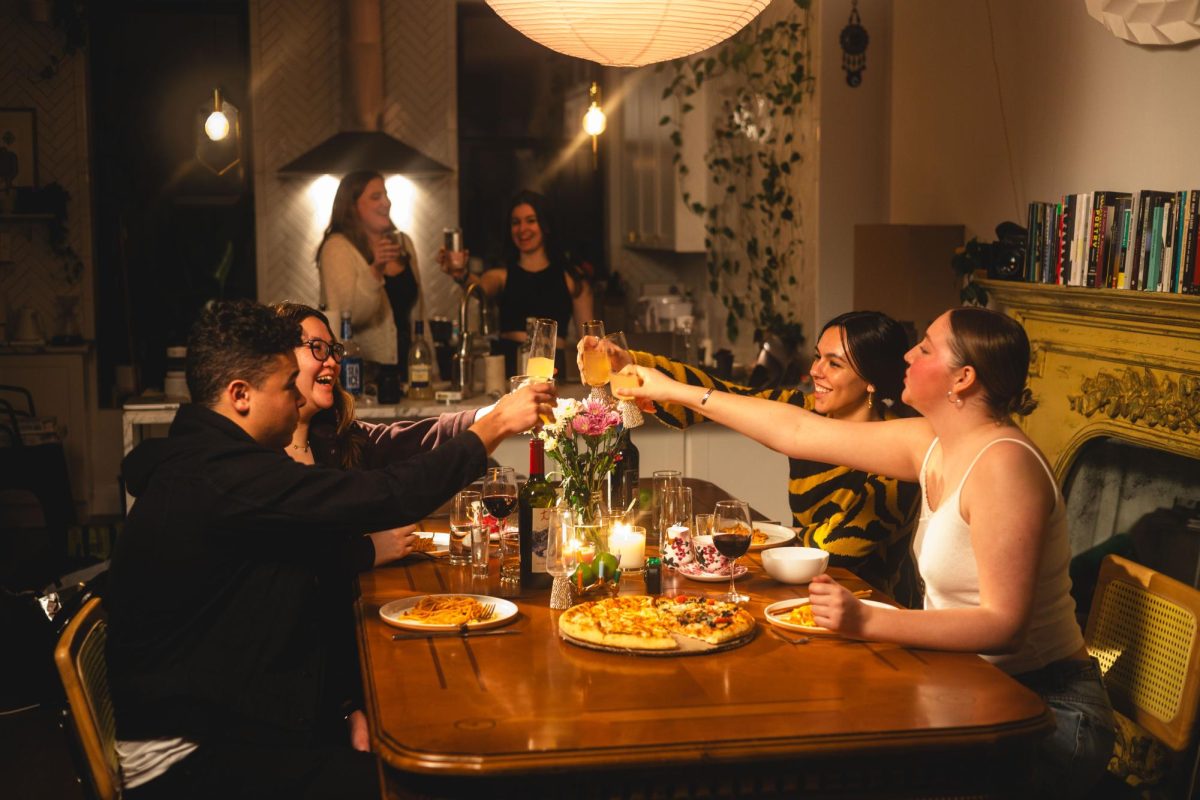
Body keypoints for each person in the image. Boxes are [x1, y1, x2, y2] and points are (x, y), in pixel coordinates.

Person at [622, 306, 1114, 797]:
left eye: (923, 348)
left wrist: (866, 621)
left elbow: (1005, 625)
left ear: (961, 378)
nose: (907, 354)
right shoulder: (933, 443)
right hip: (971, 688)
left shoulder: (1005, 466)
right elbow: (794, 430)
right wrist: (668, 389)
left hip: (1045, 712)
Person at [105, 300, 551, 799]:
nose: (297, 402)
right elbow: (386, 496)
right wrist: (491, 428)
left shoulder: (208, 462)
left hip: (232, 716)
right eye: (284, 388)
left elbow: (310, 580)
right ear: (240, 396)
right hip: (192, 761)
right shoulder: (225, 476)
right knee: (427, 784)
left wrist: (345, 705)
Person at [586, 311, 920, 603]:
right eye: (818, 357)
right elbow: (729, 397)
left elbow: (832, 552)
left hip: (873, 610)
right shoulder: (803, 409)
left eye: (834, 363)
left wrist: (757, 544)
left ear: (871, 381)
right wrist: (631, 363)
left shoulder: (896, 458)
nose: (816, 371)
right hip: (803, 594)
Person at [438, 189, 593, 377]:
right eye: (515, 222)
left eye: (531, 220)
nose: (522, 229)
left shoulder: (572, 277)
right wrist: (461, 274)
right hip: (509, 371)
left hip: (553, 370)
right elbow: (479, 289)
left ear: (546, 225)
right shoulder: (501, 275)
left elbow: (589, 342)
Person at [317, 170, 419, 368]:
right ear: (353, 207)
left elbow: (418, 313)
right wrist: (375, 270)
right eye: (376, 197)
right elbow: (347, 316)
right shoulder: (337, 247)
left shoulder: (403, 242)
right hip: (366, 370)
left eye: (386, 195)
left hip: (412, 368)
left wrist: (428, 362)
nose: (386, 202)